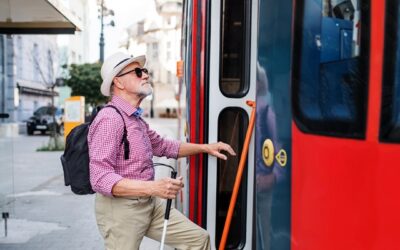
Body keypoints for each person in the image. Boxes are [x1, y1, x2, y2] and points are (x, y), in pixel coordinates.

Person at [88, 51, 236, 250]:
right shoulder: (110, 119)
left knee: (198, 239)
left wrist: (205, 147)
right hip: (121, 210)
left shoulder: (134, 118)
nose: (146, 75)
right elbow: (100, 178)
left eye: (145, 71)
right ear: (119, 82)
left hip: (148, 203)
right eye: (138, 72)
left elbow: (164, 146)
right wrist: (154, 188)